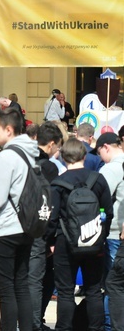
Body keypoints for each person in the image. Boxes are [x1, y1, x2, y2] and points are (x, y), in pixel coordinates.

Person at [47, 137, 112, 331]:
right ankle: (95, 328)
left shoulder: (58, 183)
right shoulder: (98, 179)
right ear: (84, 155)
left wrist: (50, 241)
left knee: (66, 292)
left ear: (64, 157)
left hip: (65, 244)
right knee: (93, 290)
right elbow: (107, 212)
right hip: (94, 243)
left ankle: (64, 328)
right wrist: (101, 234)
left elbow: (52, 217)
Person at [0, 107, 36, 331]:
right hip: (26, 226)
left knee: (5, 291)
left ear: (9, 130)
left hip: (4, 229)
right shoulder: (31, 154)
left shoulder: (6, 156)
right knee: (21, 286)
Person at [28, 122, 62, 331]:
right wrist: (51, 237)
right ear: (50, 144)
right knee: (36, 279)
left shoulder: (23, 158)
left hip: (17, 227)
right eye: (57, 147)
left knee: (21, 278)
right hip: (38, 230)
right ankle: (32, 323)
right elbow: (50, 203)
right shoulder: (48, 166)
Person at [93, 132, 124, 330]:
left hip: (114, 232)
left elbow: (98, 199)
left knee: (113, 283)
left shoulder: (110, 169)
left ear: (106, 147)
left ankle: (110, 324)